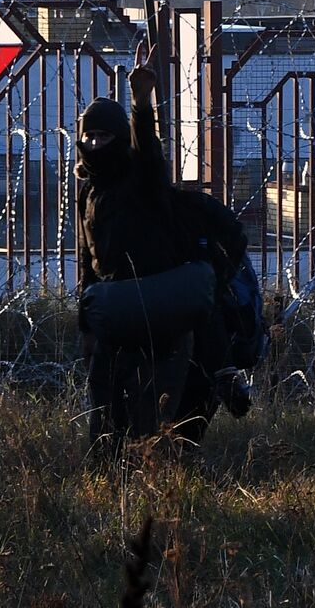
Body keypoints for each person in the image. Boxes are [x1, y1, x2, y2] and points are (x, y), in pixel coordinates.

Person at [76, 41, 212, 457]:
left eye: (105, 136)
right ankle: (107, 493)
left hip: (158, 318)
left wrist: (140, 103)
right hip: (115, 318)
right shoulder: (89, 191)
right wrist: (86, 318)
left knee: (152, 421)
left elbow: (149, 154)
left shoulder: (142, 181)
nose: (96, 145)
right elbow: (89, 261)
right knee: (105, 422)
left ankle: (164, 496)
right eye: (90, 136)